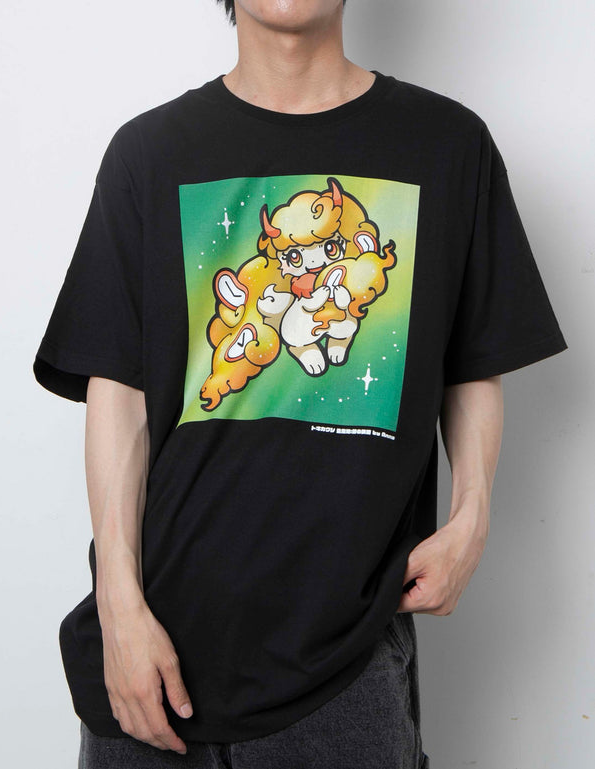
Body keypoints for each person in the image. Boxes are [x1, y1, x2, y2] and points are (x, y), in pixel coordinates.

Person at [32, 0, 568, 766]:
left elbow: (474, 355)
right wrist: (119, 607)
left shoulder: (445, 144)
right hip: (151, 645)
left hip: (343, 657)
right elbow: (117, 394)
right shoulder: (150, 152)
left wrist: (471, 517)